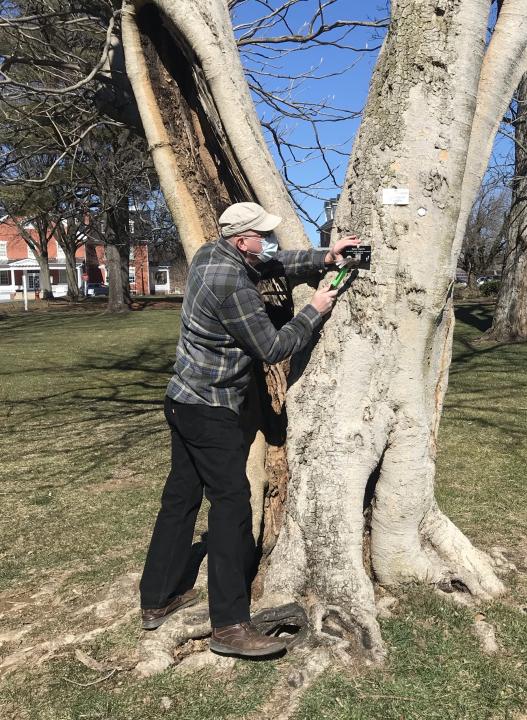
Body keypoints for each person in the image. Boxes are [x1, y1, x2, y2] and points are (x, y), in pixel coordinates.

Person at [139, 201, 359, 658]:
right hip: (209, 408)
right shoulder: (232, 283)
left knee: (181, 496)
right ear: (243, 241)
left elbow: (274, 262)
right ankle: (229, 626)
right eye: (261, 235)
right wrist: (315, 308)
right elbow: (273, 346)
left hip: (181, 400)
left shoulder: (211, 254)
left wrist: (326, 257)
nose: (268, 242)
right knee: (232, 505)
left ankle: (159, 597)